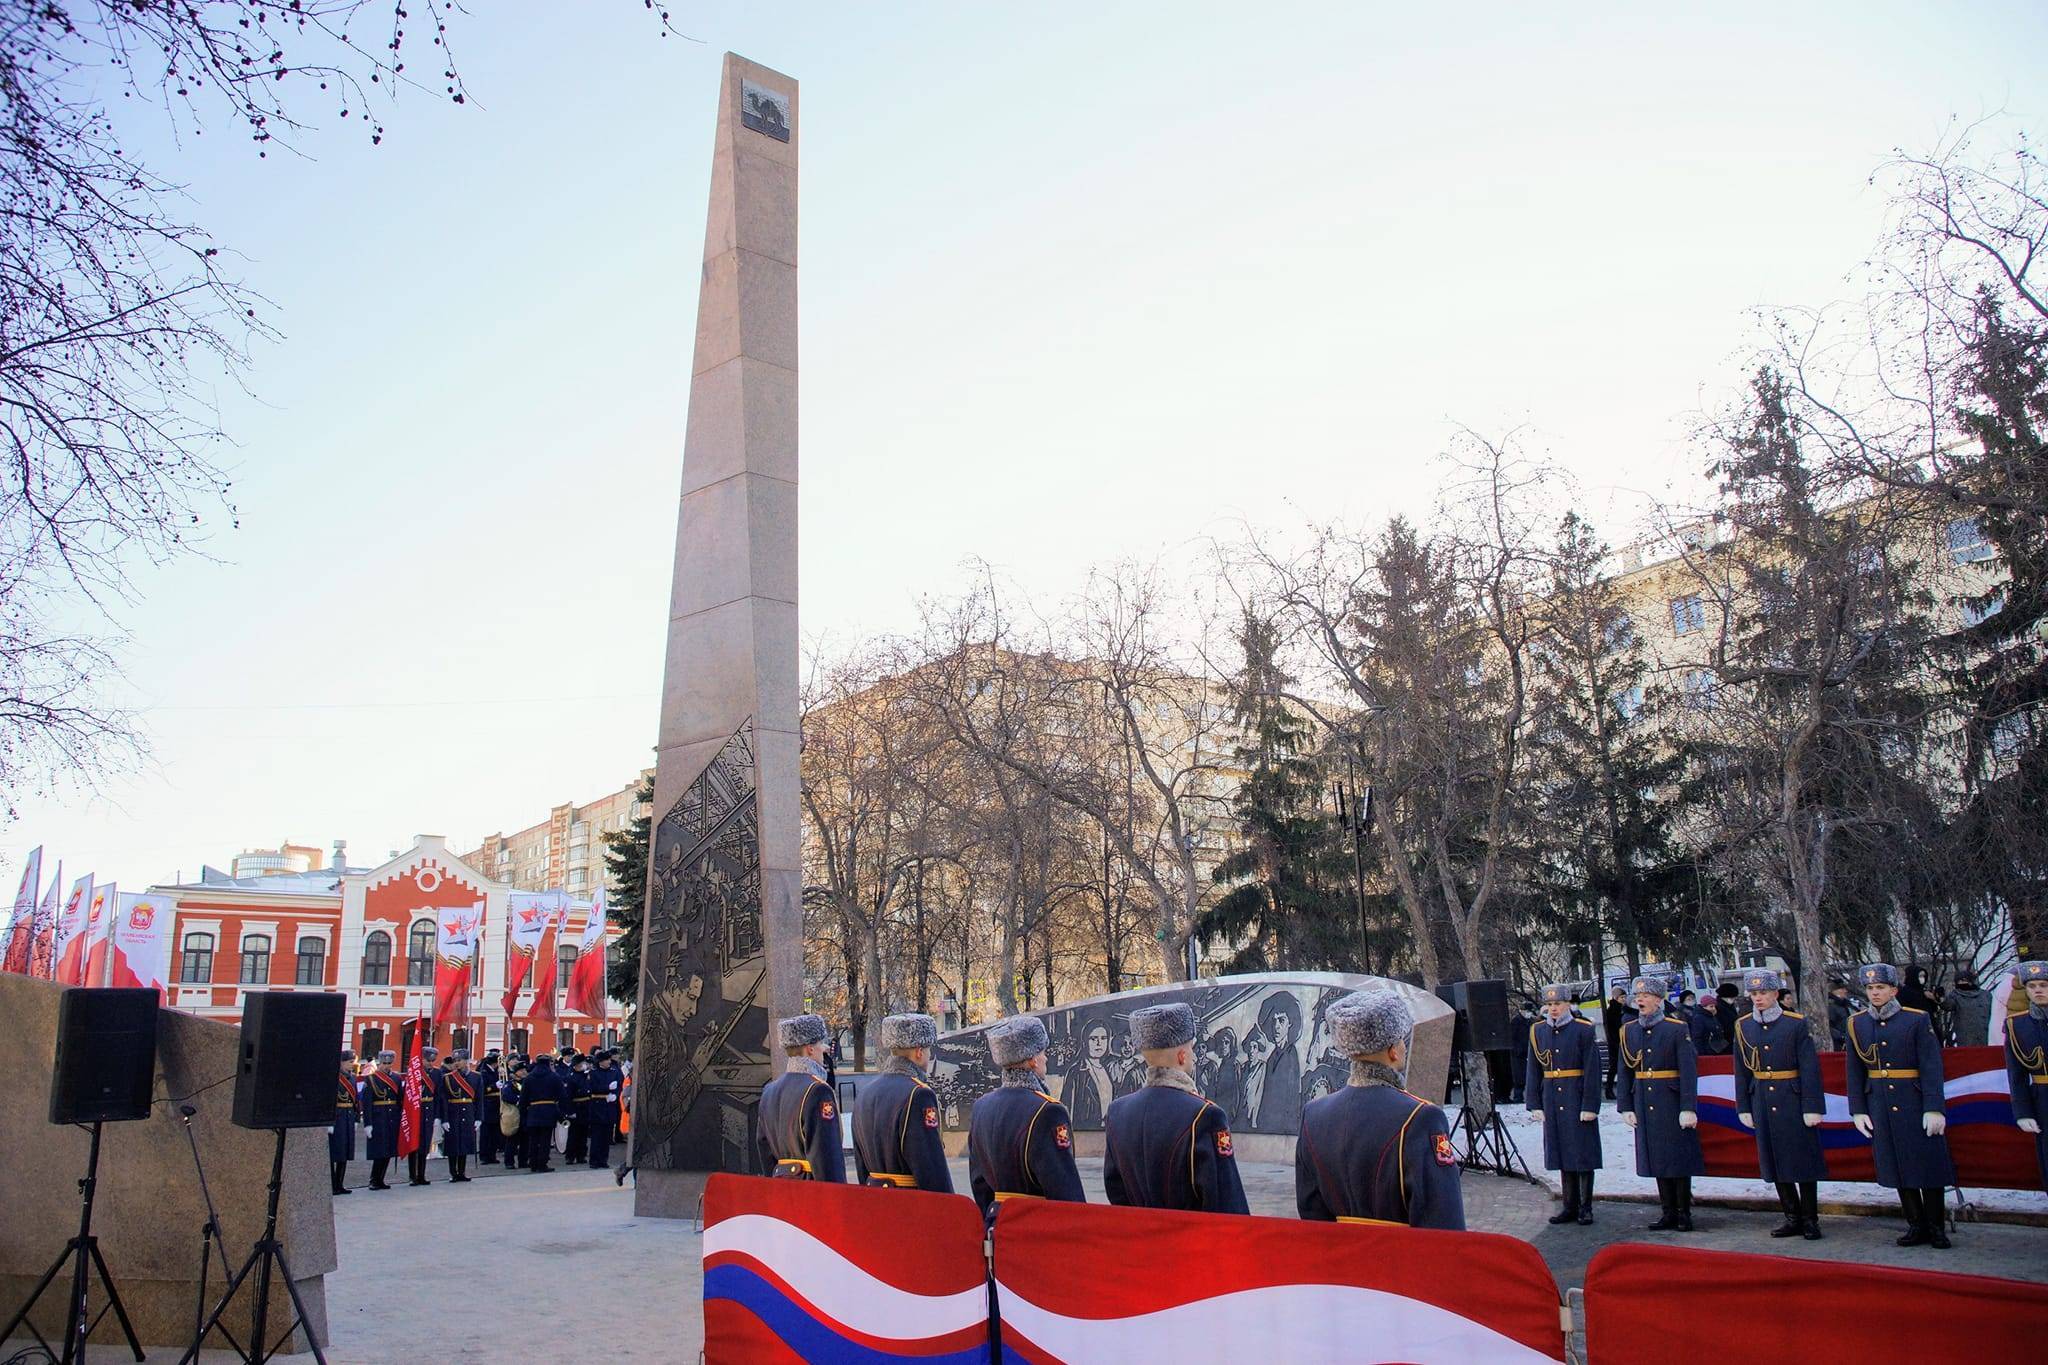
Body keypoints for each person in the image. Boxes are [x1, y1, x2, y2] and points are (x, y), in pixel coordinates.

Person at [1296, 987, 1464, 1230]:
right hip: (1402, 1262)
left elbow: (1311, 1210)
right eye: (1401, 1040)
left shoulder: (1313, 1115)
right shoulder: (1421, 1117)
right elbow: (1443, 1219)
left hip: (1340, 1263)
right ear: (1393, 1050)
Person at [1845, 962, 1955, 1249]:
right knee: (1897, 1166)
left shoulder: (1916, 1019)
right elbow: (1854, 1069)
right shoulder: (1857, 1023)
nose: (1875, 993)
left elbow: (1931, 1066)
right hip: (1880, 1102)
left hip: (1913, 1099)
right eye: (1870, 988)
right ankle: (1915, 1224)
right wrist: (1858, 1109)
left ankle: (1936, 1226)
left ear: (1894, 990)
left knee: (1926, 1164)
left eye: (1880, 987)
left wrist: (1934, 1106)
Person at [1102, 1002, 1249, 1214]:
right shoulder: (1205, 1116)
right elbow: (1227, 1201)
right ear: (1182, 1055)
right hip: (1191, 1243)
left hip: (1140, 1242)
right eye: (1191, 1048)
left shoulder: (1117, 1112)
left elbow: (1115, 1189)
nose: (1194, 1056)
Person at [1731, 969, 1826, 1240]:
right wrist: (1744, 1106)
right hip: (1761, 1096)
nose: (1758, 998)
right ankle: (1791, 1215)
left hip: (1792, 1098)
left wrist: (1811, 1105)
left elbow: (1809, 1067)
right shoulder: (1744, 1025)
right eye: (1754, 994)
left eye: (1763, 993)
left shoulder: (1795, 1023)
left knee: (1803, 1159)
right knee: (1775, 1160)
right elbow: (1741, 1068)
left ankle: (1810, 1218)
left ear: (1775, 994)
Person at [967, 1014, 1086, 1221]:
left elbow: (979, 1182)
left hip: (998, 1226)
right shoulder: (1047, 1111)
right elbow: (1065, 1190)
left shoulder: (981, 1107)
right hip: (1037, 1230)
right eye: (1042, 1052)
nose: (1046, 1058)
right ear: (1032, 1060)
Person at [1616, 975, 1704, 1232]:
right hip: (1644, 1099)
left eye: (1645, 997)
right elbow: (1625, 1070)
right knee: (1656, 1158)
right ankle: (1667, 1211)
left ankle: (1683, 1212)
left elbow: (1688, 1070)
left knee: (1677, 1156)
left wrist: (1688, 1106)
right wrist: (1626, 1105)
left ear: (1658, 1000)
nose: (1640, 1000)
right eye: (1637, 997)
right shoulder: (1629, 1030)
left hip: (1671, 1099)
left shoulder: (1676, 1028)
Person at [1524, 983, 1603, 1225]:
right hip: (1552, 1097)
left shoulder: (1583, 1029)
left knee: (1582, 1151)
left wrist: (1590, 1105)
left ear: (1568, 1004)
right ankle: (1569, 1205)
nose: (1553, 1009)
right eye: (1549, 1005)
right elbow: (1534, 1069)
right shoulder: (1538, 1031)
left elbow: (1592, 1070)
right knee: (1561, 1150)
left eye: (1557, 1004)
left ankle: (1585, 1206)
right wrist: (1534, 1102)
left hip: (1575, 1094)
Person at [851, 1013, 952, 1192]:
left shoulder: (865, 1093)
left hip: (875, 1201)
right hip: (909, 1205)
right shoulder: (918, 1094)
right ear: (919, 1052)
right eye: (928, 1051)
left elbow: (861, 1166)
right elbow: (930, 1167)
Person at [758, 1015, 845, 1183]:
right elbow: (827, 1156)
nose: (825, 1049)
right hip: (811, 1192)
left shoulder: (769, 1091)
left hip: (781, 1190)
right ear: (810, 1049)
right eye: (821, 1043)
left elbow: (764, 1149)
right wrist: (837, 1199)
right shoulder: (818, 1090)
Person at [2006, 961, 2048, 1195]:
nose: (2038, 990)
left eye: (2043, 985)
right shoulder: (2017, 1025)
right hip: (2042, 1100)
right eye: (2032, 986)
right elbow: (2017, 1074)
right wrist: (2023, 1111)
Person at [1064, 1021, 1118, 1130]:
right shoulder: (1076, 1071)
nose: (1099, 1043)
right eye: (1093, 1038)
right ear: (1085, 1042)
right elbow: (1067, 1109)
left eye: (1103, 1038)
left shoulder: (1109, 1068)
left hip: (1109, 1132)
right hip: (1086, 1135)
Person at [364, 1050, 404, 1190]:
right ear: (379, 1063)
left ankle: (381, 1179)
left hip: (392, 1118)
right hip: (378, 1117)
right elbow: (367, 1103)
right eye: (384, 1063)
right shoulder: (371, 1079)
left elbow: (400, 1100)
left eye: (389, 1063)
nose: (387, 1066)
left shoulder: (397, 1078)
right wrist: (367, 1123)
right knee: (379, 1150)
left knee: (388, 1150)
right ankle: (373, 1179)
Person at [441, 1050, 481, 1182]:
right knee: (453, 1144)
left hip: (468, 1112)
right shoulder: (448, 1078)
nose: (457, 1063)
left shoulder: (476, 1077)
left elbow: (479, 1100)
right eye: (455, 1061)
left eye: (459, 1060)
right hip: (453, 1113)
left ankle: (462, 1172)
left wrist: (479, 1118)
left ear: (466, 1061)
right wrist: (444, 1119)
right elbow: (444, 1100)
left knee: (464, 1143)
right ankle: (453, 1172)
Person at [522, 1053, 565, 1173]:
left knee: (533, 1139)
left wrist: (523, 1114)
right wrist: (562, 1112)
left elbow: (523, 1098)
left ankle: (533, 1163)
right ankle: (542, 1163)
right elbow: (562, 1095)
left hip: (533, 1111)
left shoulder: (529, 1078)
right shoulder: (554, 1077)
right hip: (549, 1110)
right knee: (545, 1139)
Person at [406, 1045, 441, 1186]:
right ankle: (412, 1175)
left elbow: (439, 1095)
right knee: (414, 1145)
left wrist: (437, 1116)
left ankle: (421, 1175)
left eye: (433, 1060)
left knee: (425, 1145)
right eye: (428, 1060)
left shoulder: (437, 1074)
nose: (430, 1063)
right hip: (416, 1110)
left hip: (429, 1110)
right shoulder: (414, 1072)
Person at [331, 1049, 361, 1196]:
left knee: (345, 1152)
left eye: (353, 1062)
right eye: (350, 1062)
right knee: (333, 1152)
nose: (352, 1065)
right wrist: (328, 1121)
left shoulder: (353, 1078)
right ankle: (332, 1184)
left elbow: (356, 1099)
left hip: (348, 1116)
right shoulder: (333, 1078)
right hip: (337, 1117)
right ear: (341, 1062)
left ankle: (340, 1183)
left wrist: (356, 1118)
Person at [588, 1050, 623, 1170]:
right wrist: (606, 1088)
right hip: (598, 1105)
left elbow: (619, 1086)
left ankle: (603, 1160)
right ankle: (594, 1160)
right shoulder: (594, 1073)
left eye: (609, 1060)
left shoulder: (614, 1072)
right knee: (597, 1135)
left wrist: (615, 1095)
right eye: (606, 1060)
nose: (609, 1062)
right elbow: (592, 1087)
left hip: (610, 1106)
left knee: (607, 1135)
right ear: (600, 1062)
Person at [1950, 971, 1994, 1047]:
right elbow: (1948, 1005)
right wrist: (1941, 999)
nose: (1962, 983)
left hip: (1986, 1034)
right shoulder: (1955, 995)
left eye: (1964, 980)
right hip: (1965, 1037)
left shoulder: (1986, 995)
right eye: (1959, 981)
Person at [564, 1054, 592, 1165]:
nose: (584, 1066)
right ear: (576, 1066)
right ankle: (570, 1156)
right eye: (582, 1064)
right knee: (573, 1134)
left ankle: (581, 1155)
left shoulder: (586, 1076)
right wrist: (570, 1111)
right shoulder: (571, 1077)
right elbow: (568, 1096)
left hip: (585, 1107)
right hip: (576, 1106)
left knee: (583, 1134)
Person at [500, 1061, 528, 1170]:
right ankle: (509, 1162)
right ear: (516, 1072)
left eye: (525, 1070)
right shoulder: (509, 1084)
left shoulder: (527, 1082)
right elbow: (506, 1096)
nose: (524, 1072)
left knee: (525, 1140)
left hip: (525, 1114)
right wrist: (519, 1100)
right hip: (514, 1115)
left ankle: (523, 1161)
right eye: (521, 1070)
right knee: (512, 1140)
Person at [477, 1050, 503, 1164]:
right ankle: (484, 1155)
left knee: (495, 1132)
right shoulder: (483, 1072)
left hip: (497, 1104)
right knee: (486, 1133)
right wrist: (494, 1086)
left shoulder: (496, 1071)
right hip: (487, 1104)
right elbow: (482, 1089)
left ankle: (492, 1155)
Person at [1601, 986, 1626, 1099]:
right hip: (1615, 1043)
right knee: (1614, 1067)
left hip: (1617, 1042)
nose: (1624, 999)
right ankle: (1609, 1090)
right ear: (1616, 998)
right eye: (1622, 997)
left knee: (1615, 1067)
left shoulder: (1620, 1009)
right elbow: (1614, 1028)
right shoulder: (1614, 1010)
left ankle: (1610, 1090)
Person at [1827, 981, 1855, 1050]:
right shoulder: (1831, 1006)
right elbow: (1829, 1026)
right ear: (1834, 991)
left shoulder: (1847, 1004)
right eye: (1842, 989)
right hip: (1839, 1045)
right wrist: (1842, 1037)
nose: (1845, 991)